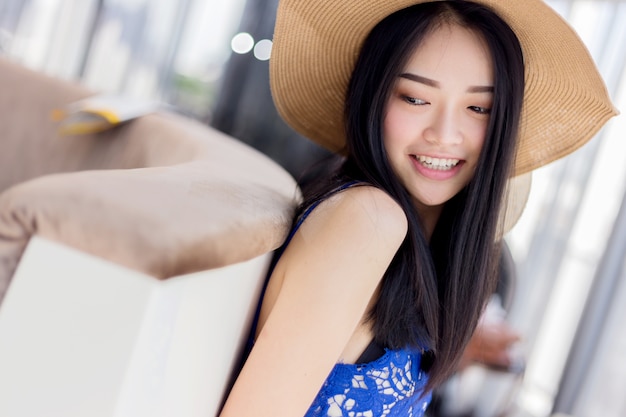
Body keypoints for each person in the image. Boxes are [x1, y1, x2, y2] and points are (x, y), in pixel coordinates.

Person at [220, 1, 617, 416]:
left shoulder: (417, 247)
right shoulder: (366, 220)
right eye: (414, 98)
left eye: (479, 108)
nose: (444, 135)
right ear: (372, 96)